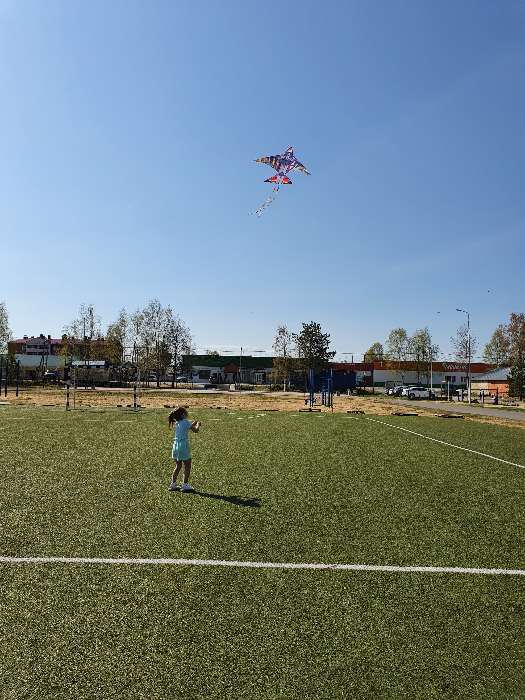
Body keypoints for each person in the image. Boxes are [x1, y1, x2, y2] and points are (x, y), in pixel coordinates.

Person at [168, 407, 200, 492]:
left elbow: (187, 426)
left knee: (178, 466)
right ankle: (185, 484)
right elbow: (195, 430)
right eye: (186, 412)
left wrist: (192, 423)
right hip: (183, 446)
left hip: (175, 446)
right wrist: (198, 425)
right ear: (183, 414)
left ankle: (173, 484)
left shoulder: (177, 423)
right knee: (187, 465)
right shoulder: (186, 422)